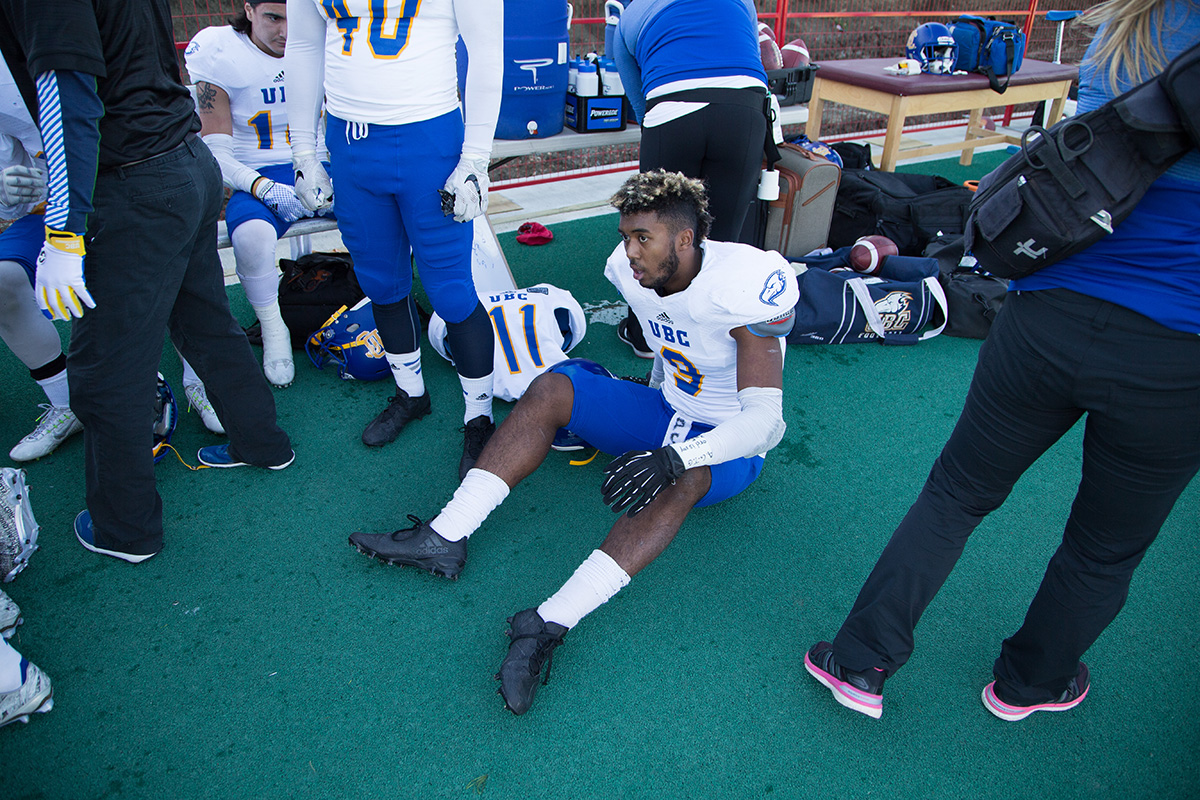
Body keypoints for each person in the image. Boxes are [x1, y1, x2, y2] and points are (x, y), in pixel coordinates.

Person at [804, 0, 1200, 722]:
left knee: (955, 494)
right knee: (1104, 548)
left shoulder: (1136, 23)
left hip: (1047, 313)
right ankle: (1031, 683)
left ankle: (859, 660)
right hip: (1179, 355)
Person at [349, 171, 799, 715]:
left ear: (685, 240)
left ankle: (546, 626)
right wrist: (651, 400)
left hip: (726, 447)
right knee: (552, 387)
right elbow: (668, 336)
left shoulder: (741, 284)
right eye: (625, 234)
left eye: (642, 238)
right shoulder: (628, 270)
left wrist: (679, 454)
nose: (629, 251)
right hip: (667, 412)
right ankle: (445, 537)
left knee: (682, 481)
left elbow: (766, 425)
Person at [0, 0, 295, 564]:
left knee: (105, 372)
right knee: (206, 322)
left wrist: (62, 234)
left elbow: (69, 96)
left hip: (135, 183)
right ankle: (263, 444)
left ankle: (124, 531)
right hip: (184, 162)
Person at [284, 0, 503, 479]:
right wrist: (303, 149)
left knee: (450, 290)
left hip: (429, 139)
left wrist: (476, 159)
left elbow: (487, 50)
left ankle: (479, 416)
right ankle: (411, 393)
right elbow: (303, 44)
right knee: (380, 282)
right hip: (349, 142)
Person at [182, 1, 334, 406]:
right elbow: (214, 150)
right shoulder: (221, 52)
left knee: (388, 212)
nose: (286, 30)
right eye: (273, 17)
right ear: (248, 10)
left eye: (294, 17)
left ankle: (382, 311)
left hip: (326, 162)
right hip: (260, 168)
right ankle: (273, 328)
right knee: (249, 236)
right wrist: (262, 187)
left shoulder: (333, 35)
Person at [606, 0, 774, 358]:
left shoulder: (632, 15)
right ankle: (719, 337)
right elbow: (751, 49)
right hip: (743, 107)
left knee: (654, 231)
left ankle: (645, 335)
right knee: (723, 238)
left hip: (672, 105)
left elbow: (641, 102)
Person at [0, 57, 80, 462]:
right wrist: (6, 189)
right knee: (2, 280)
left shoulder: (84, 28)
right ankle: (67, 403)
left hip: (123, 187)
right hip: (47, 209)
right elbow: (10, 192)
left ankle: (197, 379)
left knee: (164, 265)